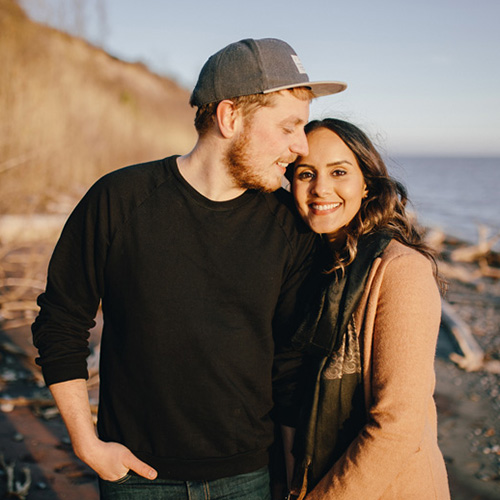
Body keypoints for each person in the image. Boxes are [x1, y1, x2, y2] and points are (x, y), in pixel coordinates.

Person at [31, 39, 347, 499]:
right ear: (229, 117)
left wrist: (294, 473)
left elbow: (289, 365)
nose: (299, 147)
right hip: (135, 474)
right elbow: (61, 320)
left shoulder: (289, 226)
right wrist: (88, 445)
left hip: (248, 476)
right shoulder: (119, 200)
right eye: (288, 127)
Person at [282, 118, 450, 499]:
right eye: (306, 173)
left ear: (367, 184)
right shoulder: (310, 268)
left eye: (339, 171)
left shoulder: (400, 270)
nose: (320, 188)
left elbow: (397, 424)